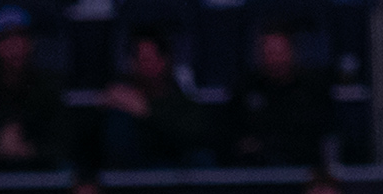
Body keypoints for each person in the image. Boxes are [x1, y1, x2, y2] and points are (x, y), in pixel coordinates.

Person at [0, 6, 64, 170]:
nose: (15, 45)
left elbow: (62, 144)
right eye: (6, 37)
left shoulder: (48, 88)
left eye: (21, 36)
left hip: (39, 175)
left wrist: (30, 150)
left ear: (32, 42)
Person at [228, 28, 334, 170]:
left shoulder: (310, 90)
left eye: (279, 53)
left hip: (302, 170)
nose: (275, 60)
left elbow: (316, 133)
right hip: (255, 172)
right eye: (269, 53)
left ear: (292, 53)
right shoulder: (246, 89)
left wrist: (269, 143)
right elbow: (231, 133)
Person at [97, 34, 207, 171]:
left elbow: (192, 136)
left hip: (175, 168)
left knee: (201, 158)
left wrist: (147, 111)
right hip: (132, 171)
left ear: (163, 61)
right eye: (137, 59)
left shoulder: (180, 99)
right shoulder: (121, 99)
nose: (141, 65)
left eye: (146, 59)